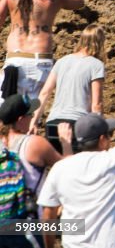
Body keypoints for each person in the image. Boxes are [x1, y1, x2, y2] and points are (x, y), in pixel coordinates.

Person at [37, 78, 115, 248]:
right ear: (102, 140)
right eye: (109, 135)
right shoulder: (114, 161)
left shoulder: (60, 168)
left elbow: (48, 215)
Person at [0, 0, 86, 99]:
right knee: (32, 115)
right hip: (40, 61)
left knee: (6, 113)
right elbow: (79, 1)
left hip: (15, 59)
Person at [30, 25, 106, 153]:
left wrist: (34, 121)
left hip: (53, 123)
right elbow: (96, 104)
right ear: (99, 43)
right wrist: (100, 130)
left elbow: (44, 93)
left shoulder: (62, 61)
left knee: (57, 165)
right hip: (78, 125)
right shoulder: (96, 65)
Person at [0, 94, 73, 226]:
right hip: (28, 224)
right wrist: (66, 142)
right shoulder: (34, 144)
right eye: (30, 115)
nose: (33, 118)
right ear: (21, 119)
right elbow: (67, 169)